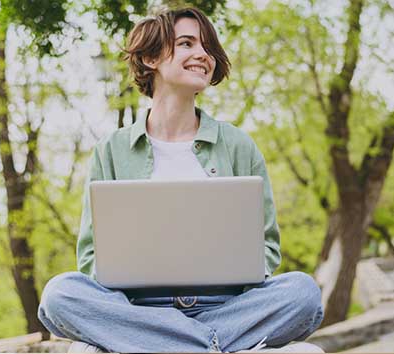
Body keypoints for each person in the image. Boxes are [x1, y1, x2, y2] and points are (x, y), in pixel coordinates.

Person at [37, 7, 323, 353]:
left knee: (303, 293)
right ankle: (209, 345)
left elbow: (267, 247)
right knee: (60, 294)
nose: (203, 55)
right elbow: (91, 257)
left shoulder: (237, 145)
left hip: (226, 308)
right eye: (187, 43)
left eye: (207, 48)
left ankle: (162, 344)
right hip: (139, 310)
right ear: (150, 57)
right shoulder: (110, 151)